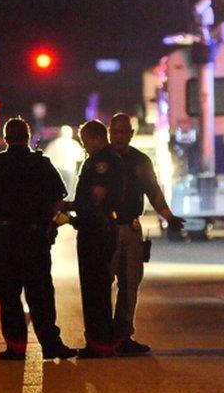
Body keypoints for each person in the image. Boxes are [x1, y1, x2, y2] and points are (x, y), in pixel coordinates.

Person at [0, 117, 77, 361]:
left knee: (9, 294)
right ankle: (50, 345)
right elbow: (59, 197)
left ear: (5, 138)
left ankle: (16, 348)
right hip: (34, 237)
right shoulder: (41, 163)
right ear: (28, 137)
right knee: (41, 294)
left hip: (3, 238)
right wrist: (49, 221)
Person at [108, 114, 185, 355]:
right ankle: (102, 338)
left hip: (131, 229)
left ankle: (123, 336)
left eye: (124, 132)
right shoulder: (101, 159)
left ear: (131, 134)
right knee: (102, 284)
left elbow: (154, 192)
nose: (119, 136)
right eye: (115, 132)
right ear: (110, 133)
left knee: (130, 284)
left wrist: (169, 217)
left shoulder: (140, 161)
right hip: (106, 231)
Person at [71, 120, 125, 358]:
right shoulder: (101, 160)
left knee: (95, 288)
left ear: (95, 138)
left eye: (85, 140)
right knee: (95, 287)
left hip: (97, 230)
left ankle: (100, 342)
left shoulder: (102, 162)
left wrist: (71, 209)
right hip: (97, 227)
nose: (84, 146)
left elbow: (96, 197)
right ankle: (98, 341)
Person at [43, 125, 84, 199]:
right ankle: (68, 205)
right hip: (69, 170)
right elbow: (81, 156)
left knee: (58, 189)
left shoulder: (54, 143)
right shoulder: (73, 144)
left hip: (57, 169)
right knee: (69, 189)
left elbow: (46, 155)